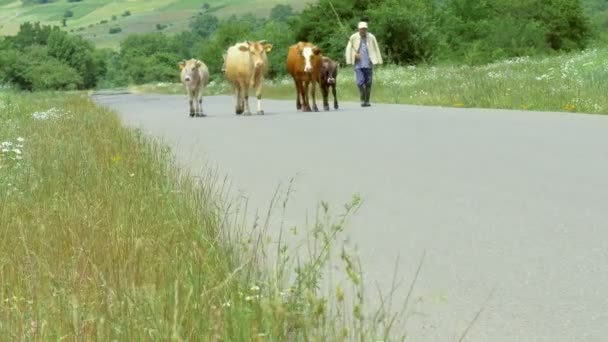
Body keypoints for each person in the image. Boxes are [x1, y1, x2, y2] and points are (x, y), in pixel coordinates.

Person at [345, 21, 383, 107]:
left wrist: (377, 60)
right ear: (359, 29)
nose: (363, 30)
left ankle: (367, 100)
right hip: (358, 65)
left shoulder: (371, 37)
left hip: (368, 64)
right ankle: (362, 99)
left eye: (365, 29)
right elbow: (349, 49)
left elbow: (376, 48)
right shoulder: (353, 37)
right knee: (360, 82)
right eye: (362, 29)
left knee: (369, 83)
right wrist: (354, 56)